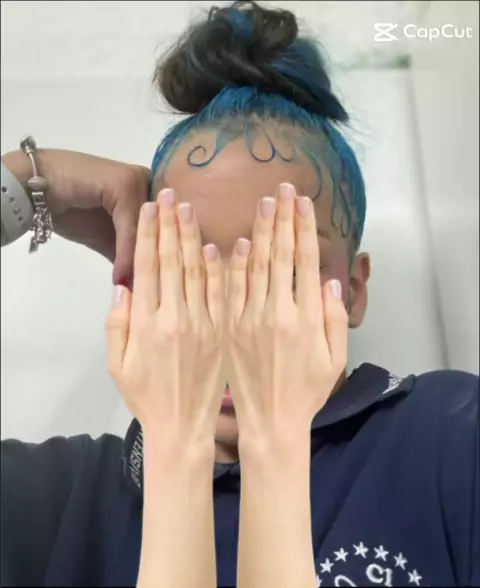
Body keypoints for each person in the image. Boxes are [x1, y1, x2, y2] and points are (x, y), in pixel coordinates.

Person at [1, 2, 478, 587]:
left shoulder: (451, 440)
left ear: (353, 292)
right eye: (187, 263)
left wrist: (274, 442)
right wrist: (27, 183)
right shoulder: (58, 496)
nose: (233, 312)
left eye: (283, 267)